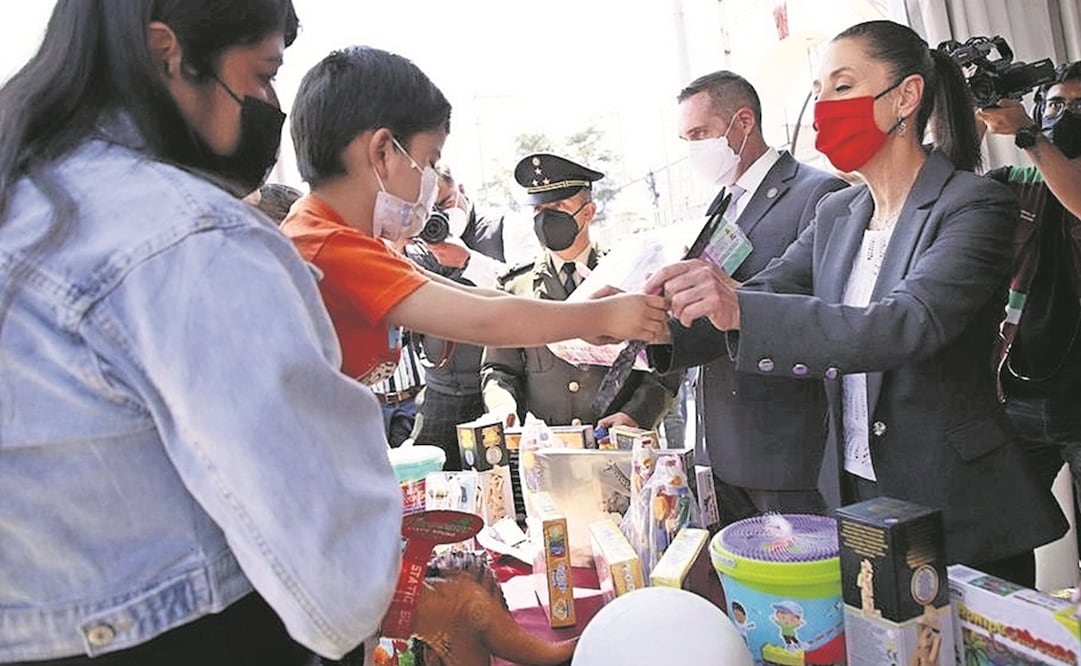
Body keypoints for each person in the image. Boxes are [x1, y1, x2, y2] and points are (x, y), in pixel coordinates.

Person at [0, 2, 404, 664]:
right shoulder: (188, 238)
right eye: (263, 72)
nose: (269, 102)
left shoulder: (28, 205)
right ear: (170, 55)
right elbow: (338, 574)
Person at [645, 19, 1067, 587]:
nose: (823, 106)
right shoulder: (837, 214)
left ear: (907, 97)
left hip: (954, 505)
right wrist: (649, 321)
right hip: (852, 498)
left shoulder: (973, 205)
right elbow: (768, 290)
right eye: (819, 92)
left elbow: (905, 323)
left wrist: (737, 304)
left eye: (842, 87)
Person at [280, 48, 667, 432]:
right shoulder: (329, 247)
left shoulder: (343, 240)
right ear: (383, 152)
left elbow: (479, 299)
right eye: (430, 161)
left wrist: (584, 316)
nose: (430, 180)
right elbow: (482, 321)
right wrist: (602, 316)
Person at [647, 70, 846, 525]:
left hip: (786, 447)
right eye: (686, 138)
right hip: (720, 448)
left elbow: (819, 313)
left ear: (742, 122)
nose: (693, 148)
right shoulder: (719, 206)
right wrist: (654, 325)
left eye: (699, 134)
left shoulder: (819, 195)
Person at [481, 153, 681, 431]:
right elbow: (499, 370)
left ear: (588, 212)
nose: (545, 218)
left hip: (620, 441)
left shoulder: (631, 274)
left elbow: (666, 361)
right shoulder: (516, 288)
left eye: (558, 205)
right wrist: (502, 406)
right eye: (538, 210)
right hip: (548, 449)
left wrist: (636, 415)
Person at [977, 61, 1081, 554]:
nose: (1067, 115)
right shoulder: (1016, 182)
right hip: (1018, 401)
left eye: (1080, 107)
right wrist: (971, 113)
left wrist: (1028, 132)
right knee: (1002, 540)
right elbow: (947, 187)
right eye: (1057, 104)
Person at [398, 167, 507, 467]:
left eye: (444, 204)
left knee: (502, 484)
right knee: (428, 484)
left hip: (496, 388)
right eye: (427, 210)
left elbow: (521, 290)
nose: (438, 218)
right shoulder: (415, 244)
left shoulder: (500, 228)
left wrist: (469, 261)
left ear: (461, 188)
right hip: (440, 391)